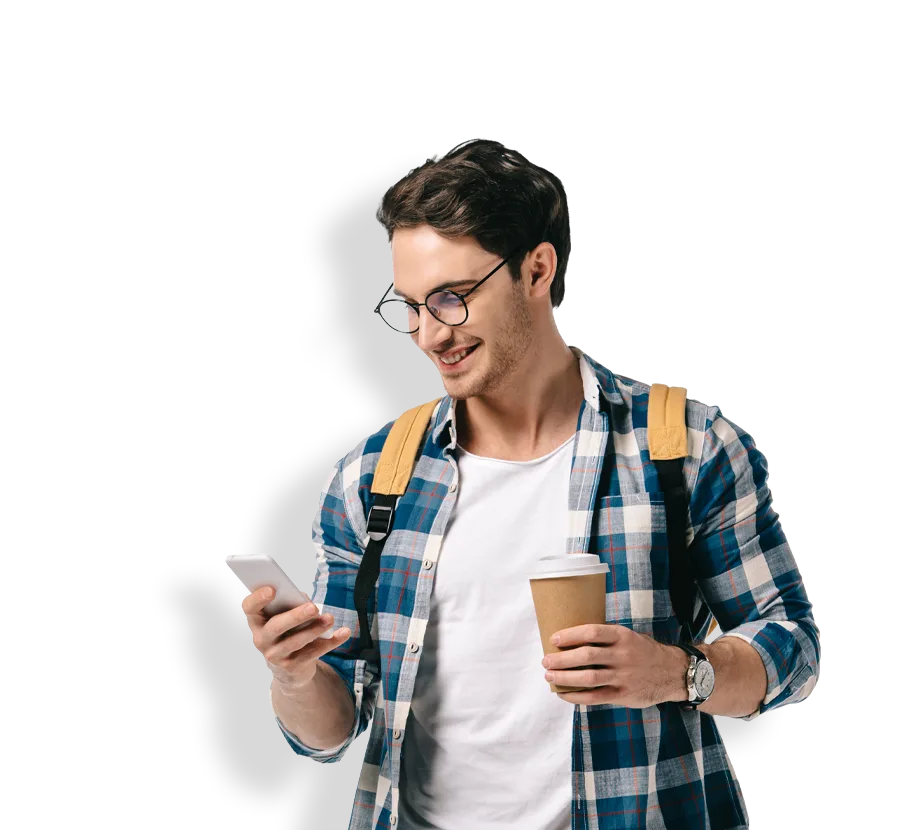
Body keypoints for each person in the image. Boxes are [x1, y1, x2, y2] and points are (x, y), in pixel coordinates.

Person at [242, 139, 820, 830]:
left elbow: (793, 648)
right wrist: (296, 676)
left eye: (452, 298)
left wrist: (677, 673)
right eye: (411, 307)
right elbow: (331, 734)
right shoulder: (372, 479)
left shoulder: (685, 448)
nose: (429, 334)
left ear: (536, 269)